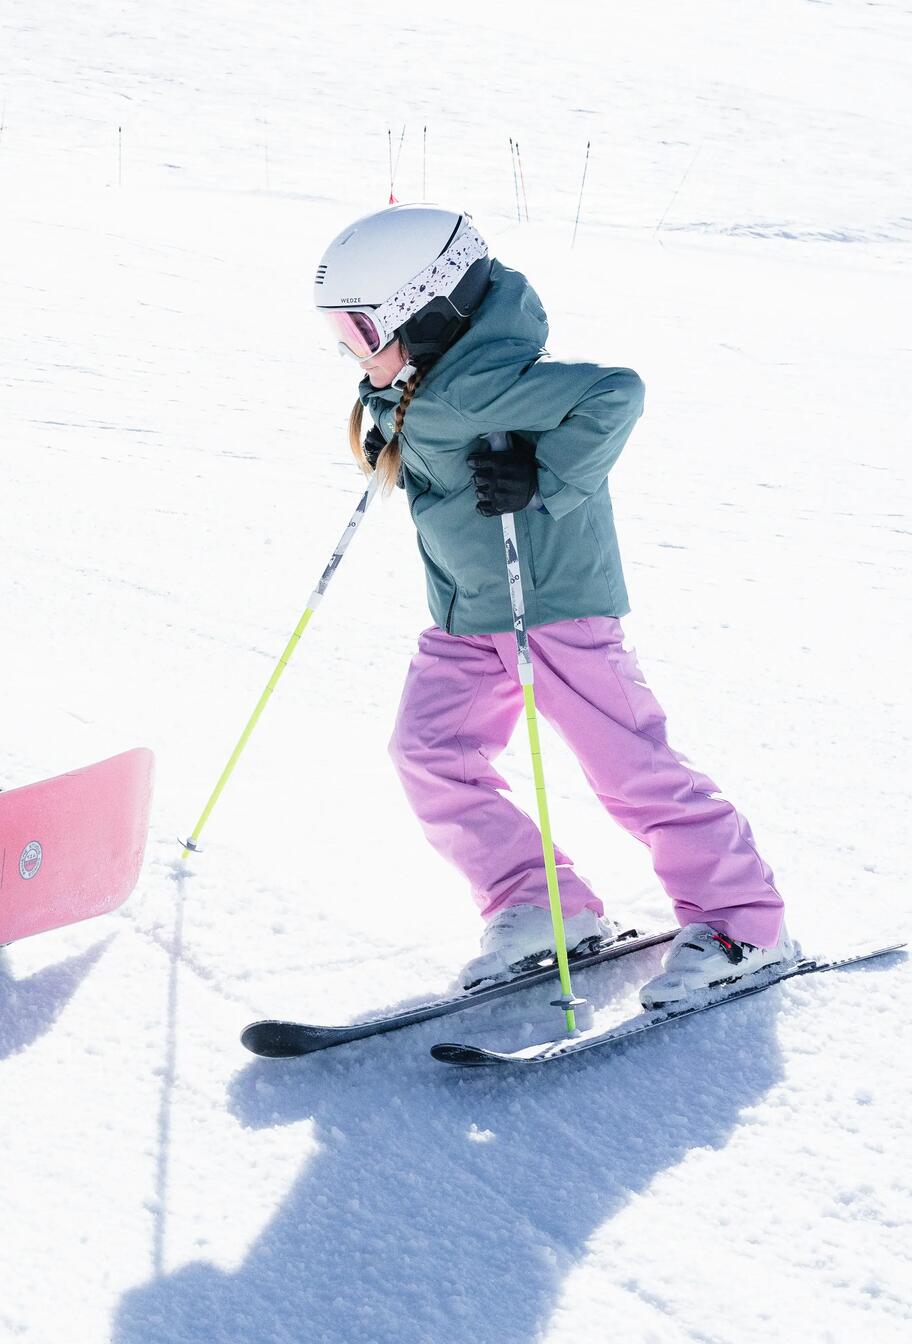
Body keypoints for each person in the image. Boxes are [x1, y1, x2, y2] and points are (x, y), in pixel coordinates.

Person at [312, 204, 794, 1008]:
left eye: (361, 330)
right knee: (430, 752)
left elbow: (615, 394)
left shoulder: (494, 380)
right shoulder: (425, 381)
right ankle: (540, 909)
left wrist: (547, 475)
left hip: (554, 609)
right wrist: (391, 431)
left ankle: (746, 920)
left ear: (427, 313)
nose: (349, 351)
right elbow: (433, 425)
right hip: (467, 613)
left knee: (630, 769)